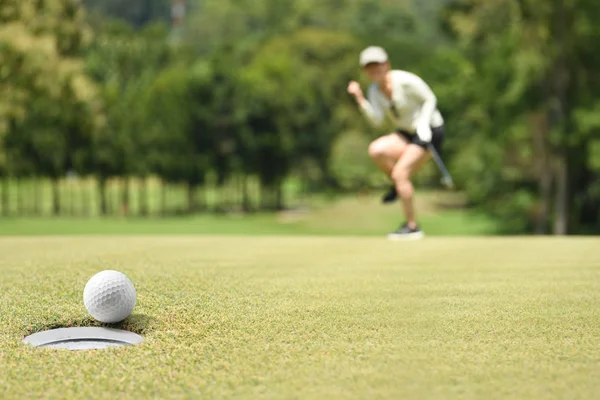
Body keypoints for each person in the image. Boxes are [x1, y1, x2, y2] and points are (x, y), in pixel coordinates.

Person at [347, 46, 446, 240]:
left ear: (387, 65)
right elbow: (376, 119)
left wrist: (424, 123)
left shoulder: (406, 80)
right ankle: (397, 184)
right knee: (376, 150)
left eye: (377, 64)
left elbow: (429, 98)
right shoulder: (374, 90)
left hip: (430, 131)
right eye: (369, 66)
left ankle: (412, 226)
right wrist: (359, 98)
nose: (374, 69)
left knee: (401, 173)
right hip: (407, 132)